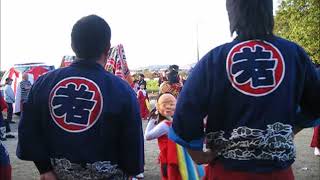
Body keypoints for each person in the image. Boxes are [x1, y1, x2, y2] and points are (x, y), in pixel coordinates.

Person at [169, 1, 320, 180]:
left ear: (232, 14)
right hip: (279, 173)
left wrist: (198, 155)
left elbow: (186, 110)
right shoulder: (294, 54)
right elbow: (316, 102)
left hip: (226, 172)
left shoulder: (215, 59)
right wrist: (289, 131)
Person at [17, 15, 144, 180]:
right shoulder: (122, 89)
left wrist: (44, 169)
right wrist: (131, 170)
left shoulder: (44, 83)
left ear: (72, 46)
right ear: (107, 49)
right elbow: (132, 145)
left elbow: (28, 131)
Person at [145, 93, 205, 180]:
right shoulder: (178, 122)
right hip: (182, 159)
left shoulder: (165, 125)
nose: (168, 107)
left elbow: (147, 136)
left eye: (171, 104)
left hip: (170, 160)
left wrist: (152, 119)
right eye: (164, 104)